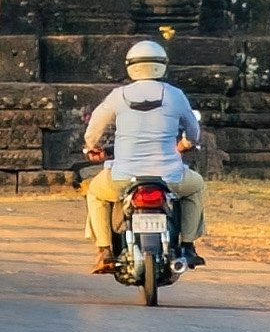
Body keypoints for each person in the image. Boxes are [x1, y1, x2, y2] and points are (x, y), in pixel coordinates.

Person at [72, 33, 213, 274]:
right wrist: (186, 143)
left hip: (124, 177)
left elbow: (94, 127)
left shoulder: (119, 96)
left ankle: (105, 250)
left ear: (130, 66)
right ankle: (188, 246)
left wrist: (92, 146)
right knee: (196, 186)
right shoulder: (175, 95)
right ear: (162, 65)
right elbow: (193, 130)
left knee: (95, 192)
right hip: (170, 176)